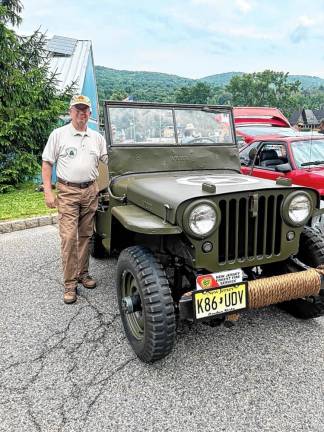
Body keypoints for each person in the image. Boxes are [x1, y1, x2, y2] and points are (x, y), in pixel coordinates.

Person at [42, 95, 108, 304]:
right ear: (71, 112)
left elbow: (107, 162)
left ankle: (83, 274)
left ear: (90, 113)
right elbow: (47, 163)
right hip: (68, 191)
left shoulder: (97, 137)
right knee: (69, 238)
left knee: (86, 236)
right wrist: (48, 192)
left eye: (85, 110)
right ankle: (70, 285)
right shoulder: (59, 134)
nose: (81, 113)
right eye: (77, 109)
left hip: (90, 191)